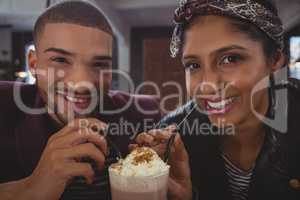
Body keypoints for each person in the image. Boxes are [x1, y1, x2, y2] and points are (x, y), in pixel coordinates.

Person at [134, 0, 300, 200]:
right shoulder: (171, 140)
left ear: (274, 60)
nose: (208, 85)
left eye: (231, 59)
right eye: (194, 65)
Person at [0, 1, 161, 200]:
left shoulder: (144, 114)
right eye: (60, 60)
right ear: (33, 63)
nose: (82, 83)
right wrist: (29, 189)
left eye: (100, 64)